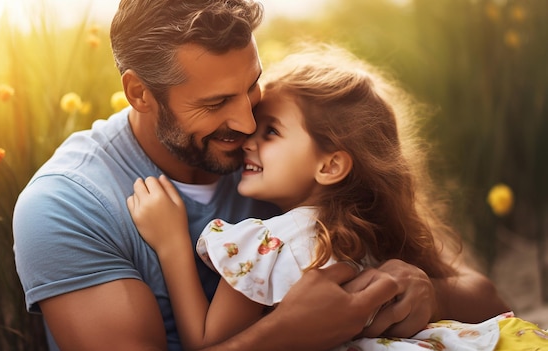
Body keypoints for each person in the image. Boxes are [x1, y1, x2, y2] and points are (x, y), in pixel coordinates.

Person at [12, 1, 509, 350]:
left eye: (250, 87)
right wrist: (283, 337)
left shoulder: (282, 163)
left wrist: (426, 292)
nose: (247, 125)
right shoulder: (68, 206)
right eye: (214, 104)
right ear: (140, 93)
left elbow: (485, 299)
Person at [126, 43, 522, 350]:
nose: (247, 137)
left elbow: (206, 342)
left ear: (331, 166)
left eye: (271, 132)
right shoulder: (367, 230)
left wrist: (173, 244)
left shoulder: (270, 244)